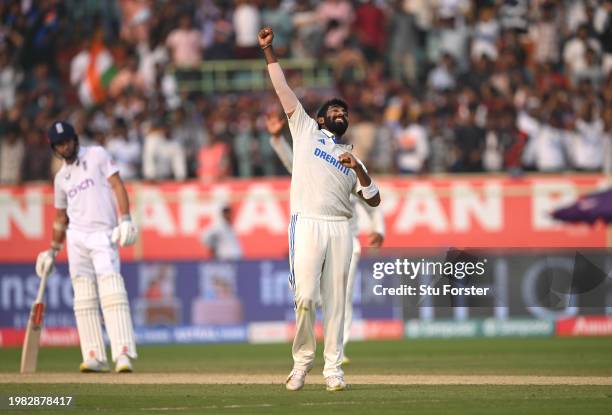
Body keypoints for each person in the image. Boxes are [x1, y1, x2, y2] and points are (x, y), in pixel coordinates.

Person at [258, 27, 381, 392]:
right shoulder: (305, 130)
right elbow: (282, 90)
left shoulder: (352, 157)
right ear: (322, 119)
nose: (340, 113)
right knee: (306, 297)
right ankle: (301, 364)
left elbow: (374, 199)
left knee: (337, 303)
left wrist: (358, 168)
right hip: (308, 223)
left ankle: (333, 370)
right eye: (334, 110)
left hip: (341, 227)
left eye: (344, 111)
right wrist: (269, 51)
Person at [266, 112, 385, 365]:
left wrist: (378, 229)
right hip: (315, 234)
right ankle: (314, 343)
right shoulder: (316, 166)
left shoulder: (349, 169)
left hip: (346, 242)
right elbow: (292, 164)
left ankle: (338, 352)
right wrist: (277, 141)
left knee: (342, 295)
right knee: (310, 295)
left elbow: (372, 202)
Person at [35, 121, 138, 373]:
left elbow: (117, 186)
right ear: (54, 148)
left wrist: (125, 218)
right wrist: (52, 250)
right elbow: (61, 218)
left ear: (75, 139)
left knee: (112, 290)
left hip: (103, 233)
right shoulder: (61, 178)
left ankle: (123, 354)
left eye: (68, 140)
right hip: (76, 238)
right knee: (83, 298)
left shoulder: (97, 155)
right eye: (60, 143)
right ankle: (93, 355)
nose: (65, 146)